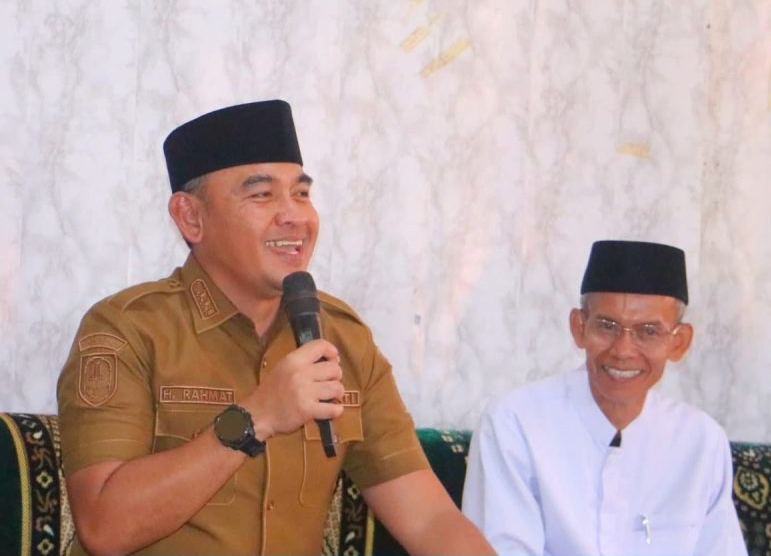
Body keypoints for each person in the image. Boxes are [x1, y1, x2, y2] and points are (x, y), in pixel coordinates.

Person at [57, 100, 495, 556]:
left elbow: (429, 519)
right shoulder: (128, 329)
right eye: (262, 195)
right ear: (190, 217)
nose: (295, 217)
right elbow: (104, 527)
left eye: (301, 194)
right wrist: (255, 418)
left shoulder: (343, 338)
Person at [462, 240, 747, 555]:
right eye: (607, 327)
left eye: (648, 331)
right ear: (579, 327)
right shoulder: (515, 423)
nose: (623, 351)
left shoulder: (702, 441)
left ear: (679, 342)